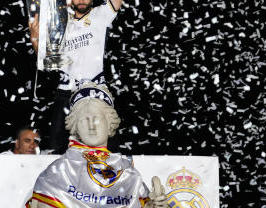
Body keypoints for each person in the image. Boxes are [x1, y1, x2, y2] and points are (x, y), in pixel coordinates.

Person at [29, 0, 149, 153]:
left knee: (110, 148)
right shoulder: (60, 22)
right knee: (56, 149)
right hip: (66, 91)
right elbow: (47, 62)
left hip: (95, 89)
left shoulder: (101, 15)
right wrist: (35, 38)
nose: (81, 0)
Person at [26, 84, 166, 208]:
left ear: (110, 123)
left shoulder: (129, 174)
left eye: (97, 119)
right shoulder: (57, 173)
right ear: (75, 127)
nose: (91, 126)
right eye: (84, 120)